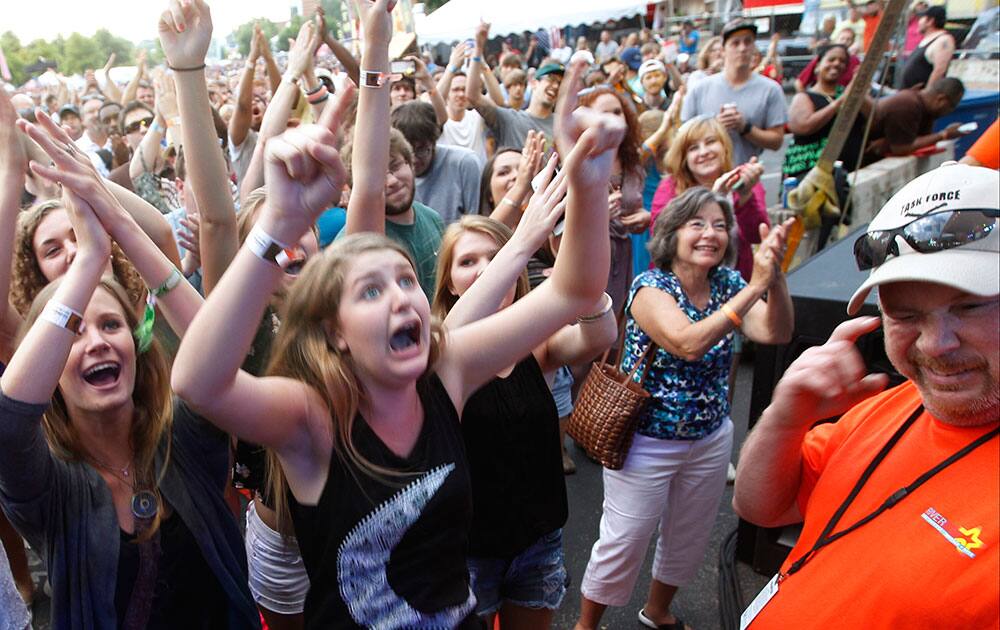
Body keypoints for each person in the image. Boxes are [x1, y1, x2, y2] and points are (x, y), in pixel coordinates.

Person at [169, 0, 625, 619]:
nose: (403, 296)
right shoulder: (312, 419)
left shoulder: (449, 371)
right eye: (371, 291)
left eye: (408, 280)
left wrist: (588, 183)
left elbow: (573, 292)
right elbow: (197, 382)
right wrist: (277, 220)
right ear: (334, 333)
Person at [0, 95, 259, 628]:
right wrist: (91, 257)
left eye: (112, 325)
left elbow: (220, 347)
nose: (95, 340)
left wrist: (113, 218)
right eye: (74, 329)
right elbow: (7, 425)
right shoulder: (51, 487)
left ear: (138, 345)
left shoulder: (183, 438)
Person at [734, 162, 998, 628]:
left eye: (969, 306)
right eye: (905, 315)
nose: (935, 345)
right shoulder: (892, 405)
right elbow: (763, 507)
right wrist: (785, 419)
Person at [575, 186, 794, 630]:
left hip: (710, 436)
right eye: (697, 224)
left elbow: (776, 332)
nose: (710, 233)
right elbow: (687, 343)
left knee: (688, 535)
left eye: (718, 225)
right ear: (671, 233)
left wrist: (775, 278)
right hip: (645, 441)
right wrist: (754, 288)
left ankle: (656, 611)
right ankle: (585, 625)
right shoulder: (650, 286)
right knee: (625, 539)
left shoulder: (729, 285)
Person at [432, 199, 616, 629]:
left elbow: (601, 335)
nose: (483, 269)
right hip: (467, 551)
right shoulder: (437, 354)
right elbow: (452, 339)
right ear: (450, 283)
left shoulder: (537, 344)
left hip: (538, 540)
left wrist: (585, 286)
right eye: (468, 261)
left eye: (495, 258)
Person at [651, 116, 767, 282]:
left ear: (725, 147)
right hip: (680, 284)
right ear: (683, 158)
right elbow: (661, 238)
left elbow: (757, 235)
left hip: (734, 285)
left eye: (711, 142)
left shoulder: (744, 180)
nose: (704, 152)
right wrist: (713, 198)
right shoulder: (670, 186)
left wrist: (745, 197)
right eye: (693, 148)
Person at [577, 86, 651, 314]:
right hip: (587, 259)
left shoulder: (632, 162)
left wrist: (644, 218)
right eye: (603, 113)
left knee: (621, 322)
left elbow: (635, 208)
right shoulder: (577, 162)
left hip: (624, 257)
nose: (612, 119)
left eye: (617, 112)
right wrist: (598, 217)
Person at [682, 20, 787, 167]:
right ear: (723, 50)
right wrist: (714, 128)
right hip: (705, 182)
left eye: (748, 42)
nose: (742, 48)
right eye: (735, 43)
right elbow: (683, 138)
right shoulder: (699, 89)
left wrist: (745, 128)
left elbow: (776, 141)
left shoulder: (770, 90)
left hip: (746, 177)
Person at [468, 23, 562, 150]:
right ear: (534, 83)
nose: (556, 86)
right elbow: (473, 97)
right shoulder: (510, 119)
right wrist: (478, 49)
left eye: (561, 84)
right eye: (551, 79)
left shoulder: (564, 125)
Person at [783, 44, 870, 182]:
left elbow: (874, 119)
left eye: (842, 61)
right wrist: (839, 102)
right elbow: (801, 126)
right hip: (811, 178)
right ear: (817, 66)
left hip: (849, 175)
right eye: (831, 59)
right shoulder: (805, 97)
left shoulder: (849, 93)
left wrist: (859, 88)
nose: (837, 63)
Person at [391, 101, 481, 223]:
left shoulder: (464, 163)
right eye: (408, 153)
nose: (415, 159)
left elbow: (476, 219)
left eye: (421, 150)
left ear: (434, 142)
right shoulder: (394, 177)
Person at [863, 78, 970, 164]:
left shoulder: (925, 108)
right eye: (951, 107)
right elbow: (901, 148)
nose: (949, 111)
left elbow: (921, 138)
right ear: (941, 99)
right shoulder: (908, 105)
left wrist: (887, 143)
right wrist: (944, 134)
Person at [437, 42, 490, 164]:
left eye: (464, 90)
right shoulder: (439, 120)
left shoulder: (477, 117)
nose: (461, 95)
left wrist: (483, 64)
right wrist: (451, 67)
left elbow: (498, 100)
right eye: (455, 90)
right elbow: (433, 104)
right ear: (447, 93)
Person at [900, 5, 956, 90]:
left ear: (930, 21)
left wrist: (927, 94)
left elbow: (939, 70)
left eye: (921, 18)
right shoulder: (927, 40)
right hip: (908, 95)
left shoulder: (943, 40)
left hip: (921, 98)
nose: (918, 22)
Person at [795, 28, 860, 92]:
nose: (836, 63)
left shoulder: (855, 61)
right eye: (842, 38)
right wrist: (806, 98)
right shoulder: (822, 58)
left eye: (849, 39)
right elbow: (799, 83)